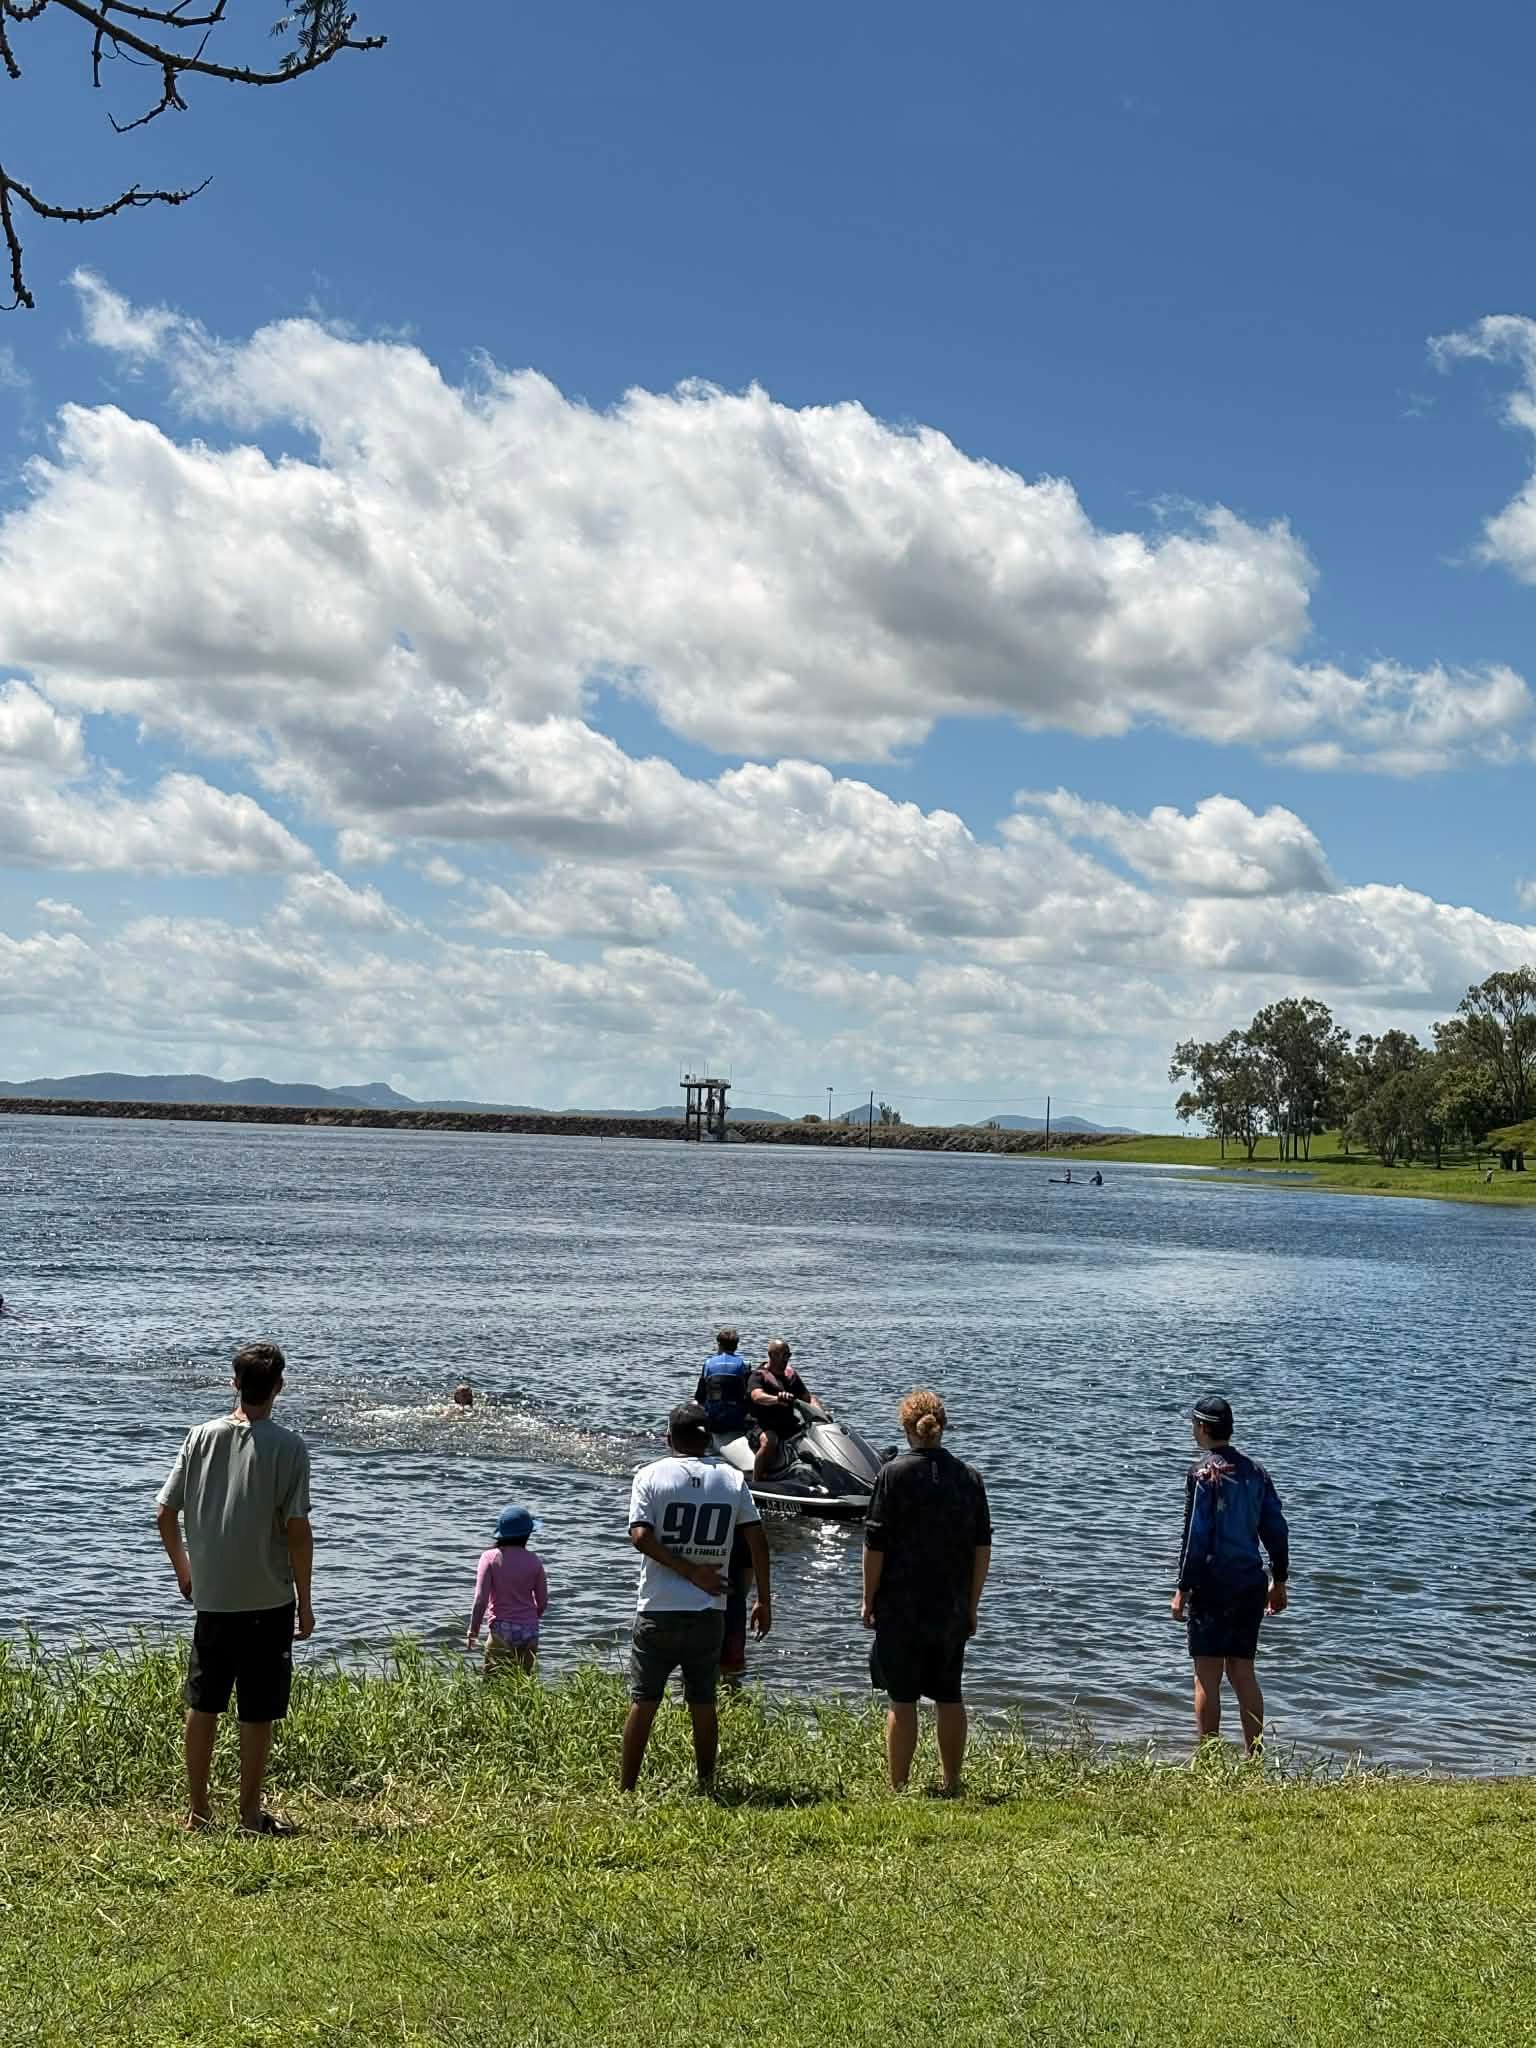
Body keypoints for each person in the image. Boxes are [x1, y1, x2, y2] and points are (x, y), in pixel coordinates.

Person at [154, 1342, 314, 1835]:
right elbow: (297, 1531)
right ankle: (249, 1814)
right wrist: (305, 1603)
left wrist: (185, 1571)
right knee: (257, 1710)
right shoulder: (289, 1447)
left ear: (234, 1383)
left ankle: (198, 1811)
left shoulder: (199, 1437)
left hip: (213, 1598)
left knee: (203, 1704)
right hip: (268, 1598)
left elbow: (165, 1514)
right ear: (279, 1388)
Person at [621, 1402, 771, 1792]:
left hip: (658, 1608)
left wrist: (687, 1571)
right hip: (709, 1611)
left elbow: (640, 1536)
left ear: (670, 1438)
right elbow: (757, 1540)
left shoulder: (650, 1475)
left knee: (644, 1700)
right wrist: (763, 1600)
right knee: (704, 1702)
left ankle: (628, 1788)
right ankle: (706, 1783)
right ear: (707, 1440)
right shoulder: (732, 1479)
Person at [862, 1389, 992, 1796]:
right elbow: (982, 1548)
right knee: (949, 1696)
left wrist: (868, 1599)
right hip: (950, 1604)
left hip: (901, 1605)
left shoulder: (892, 1474)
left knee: (903, 1701)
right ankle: (952, 1783)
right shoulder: (968, 1476)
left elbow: (875, 1545)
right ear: (943, 1426)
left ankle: (899, 1787)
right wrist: (971, 1604)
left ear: (906, 1428)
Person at [1171, 1392, 1290, 1756]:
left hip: (1211, 1583)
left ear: (1203, 1428)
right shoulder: (1257, 1473)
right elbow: (1276, 1529)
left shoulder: (1202, 1473)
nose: (1193, 1430)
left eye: (1194, 1425)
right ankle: (1255, 1757)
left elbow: (1196, 1536)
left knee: (1206, 1673)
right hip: (1250, 1583)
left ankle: (1208, 1759)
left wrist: (1183, 1588)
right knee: (1243, 1672)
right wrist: (1279, 1580)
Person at [466, 1504, 548, 1674]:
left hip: (502, 1630)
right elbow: (542, 1601)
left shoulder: (489, 1557)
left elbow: (481, 1600)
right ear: (527, 1535)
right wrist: (531, 1619)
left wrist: (473, 1630)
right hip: (530, 1631)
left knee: (492, 1684)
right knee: (523, 1684)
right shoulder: (534, 1561)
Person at [748, 1336, 825, 1480]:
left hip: (788, 1424)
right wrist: (776, 1399)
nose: (786, 1359)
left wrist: (821, 1415)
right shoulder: (758, 1376)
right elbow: (757, 1396)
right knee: (769, 1441)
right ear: (771, 1355)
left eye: (788, 1355)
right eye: (782, 1355)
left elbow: (808, 1398)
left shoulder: (791, 1376)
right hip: (762, 1425)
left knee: (814, 1438)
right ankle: (757, 1480)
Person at [695, 1327, 752, 1439]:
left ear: (719, 1345)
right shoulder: (745, 1365)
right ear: (736, 1346)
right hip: (737, 1421)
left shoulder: (708, 1363)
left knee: (695, 1403)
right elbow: (749, 1394)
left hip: (713, 1421)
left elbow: (699, 1396)